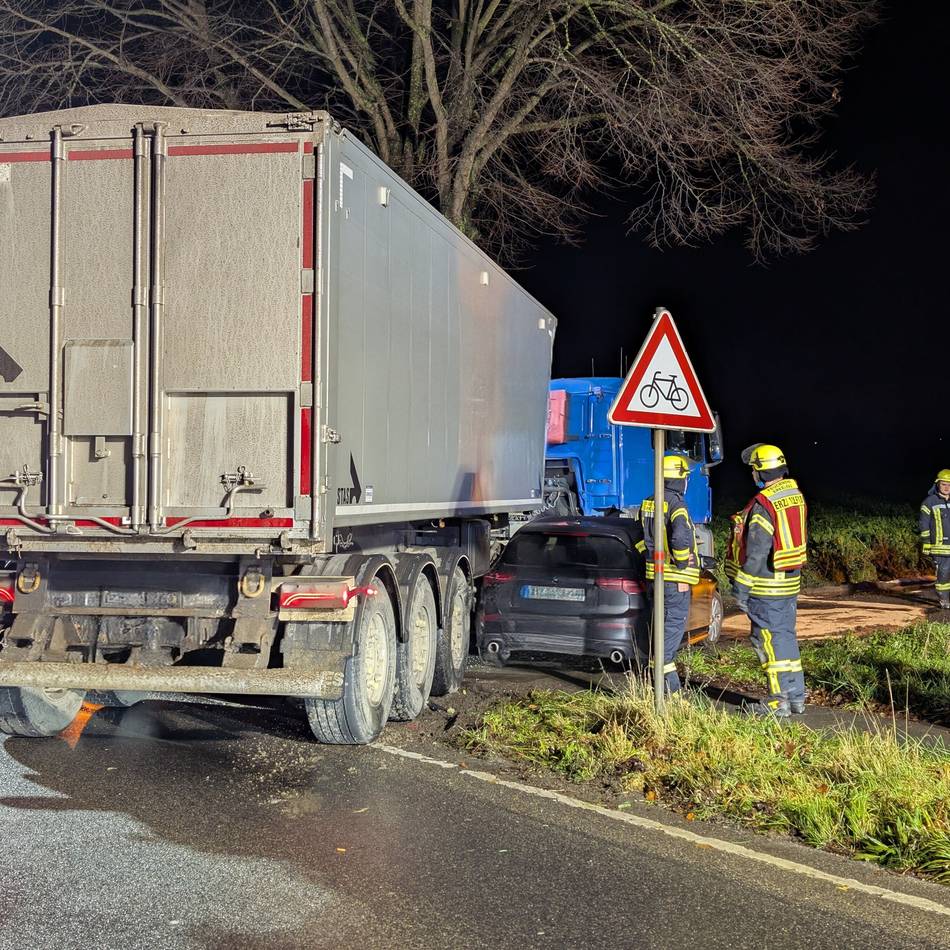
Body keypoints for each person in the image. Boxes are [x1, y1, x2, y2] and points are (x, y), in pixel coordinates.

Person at [725, 444, 808, 718]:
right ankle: (796, 697)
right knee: (785, 637)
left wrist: (742, 586)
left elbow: (758, 549)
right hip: (788, 582)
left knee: (767, 640)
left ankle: (778, 701)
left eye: (753, 469)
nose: (752, 474)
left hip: (766, 585)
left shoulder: (764, 503)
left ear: (760, 472)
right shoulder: (794, 495)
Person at [637, 454, 700, 693]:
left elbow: (640, 537)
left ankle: (665, 688)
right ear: (679, 479)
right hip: (675, 580)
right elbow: (680, 537)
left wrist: (651, 556)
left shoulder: (649, 501)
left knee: (661, 632)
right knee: (670, 634)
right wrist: (682, 562)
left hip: (655, 577)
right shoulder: (676, 504)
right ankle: (667, 691)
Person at [919, 469, 950, 610]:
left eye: (949, 485)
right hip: (940, 547)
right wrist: (926, 543)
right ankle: (944, 599)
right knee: (944, 573)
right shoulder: (929, 502)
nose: (947, 487)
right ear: (937, 484)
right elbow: (924, 524)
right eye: (944, 484)